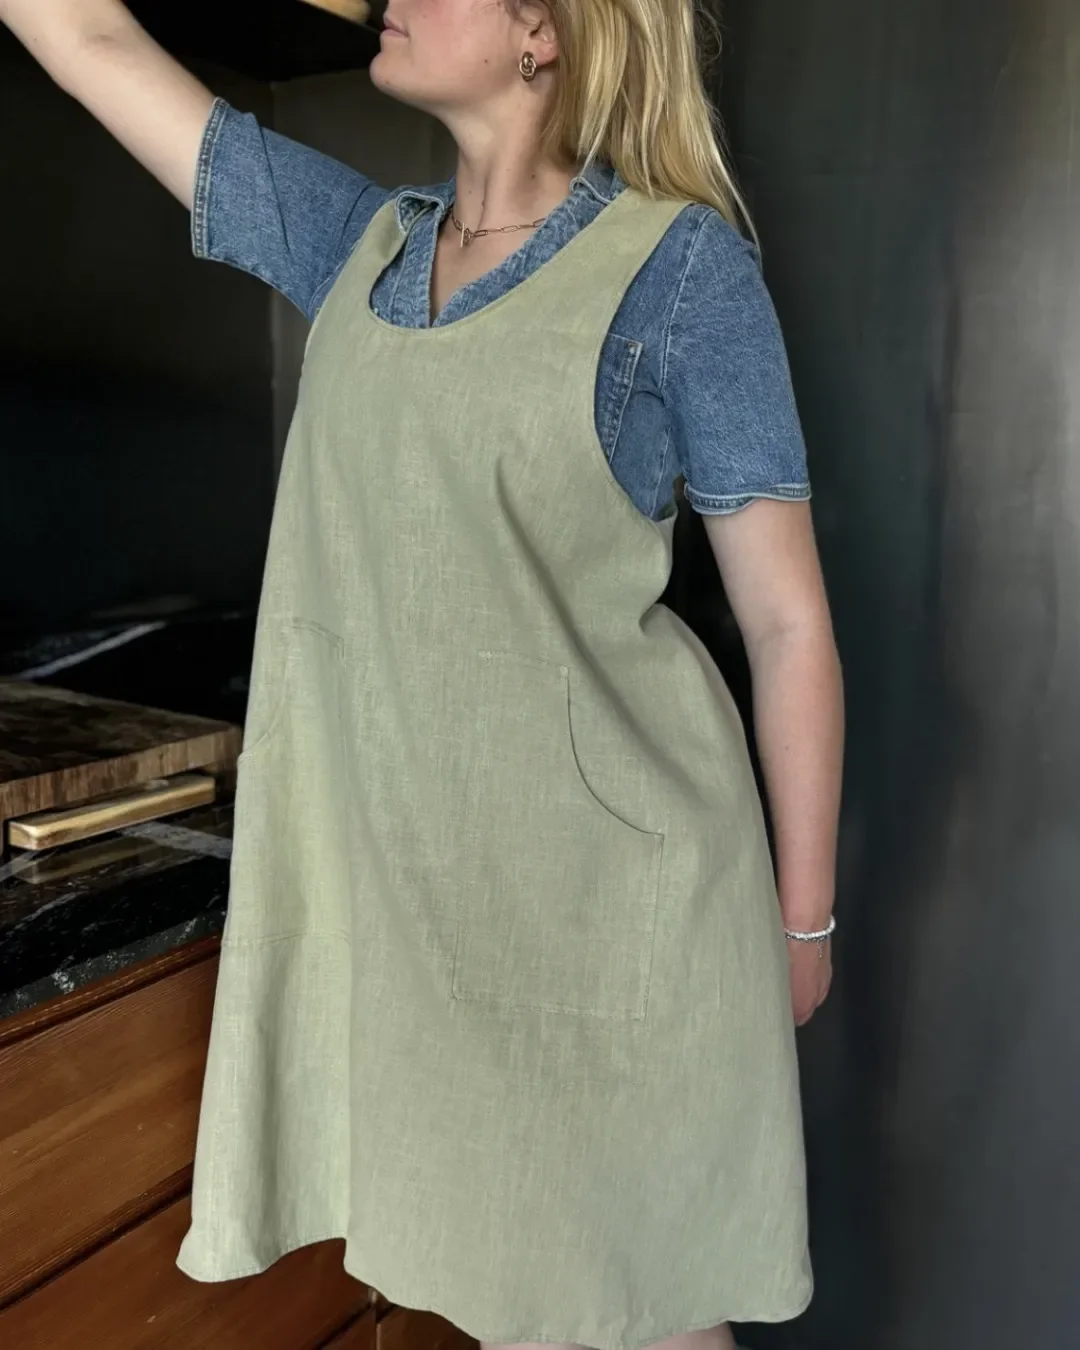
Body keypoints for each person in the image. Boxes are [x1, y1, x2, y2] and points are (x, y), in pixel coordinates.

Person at [1, 1, 845, 1346]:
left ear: (544, 31)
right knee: (506, 1299)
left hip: (610, 900)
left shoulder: (682, 271)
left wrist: (802, 924)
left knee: (641, 1315)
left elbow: (789, 624)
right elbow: (87, 39)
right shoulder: (354, 241)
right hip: (422, 903)